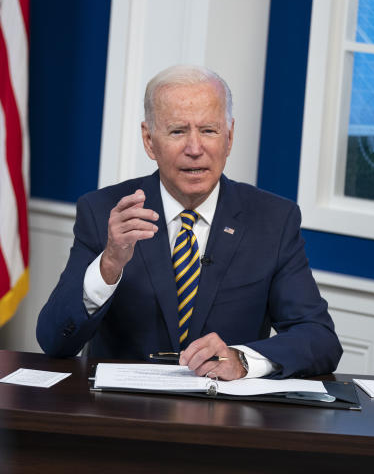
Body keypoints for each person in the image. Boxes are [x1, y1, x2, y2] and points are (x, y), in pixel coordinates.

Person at [36, 65, 342, 380]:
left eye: (208, 131)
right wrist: (110, 262)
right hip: (124, 416)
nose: (195, 149)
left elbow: (319, 340)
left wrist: (243, 360)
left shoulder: (273, 220)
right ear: (149, 140)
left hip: (225, 419)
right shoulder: (104, 212)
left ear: (229, 136)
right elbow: (54, 341)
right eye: (178, 131)